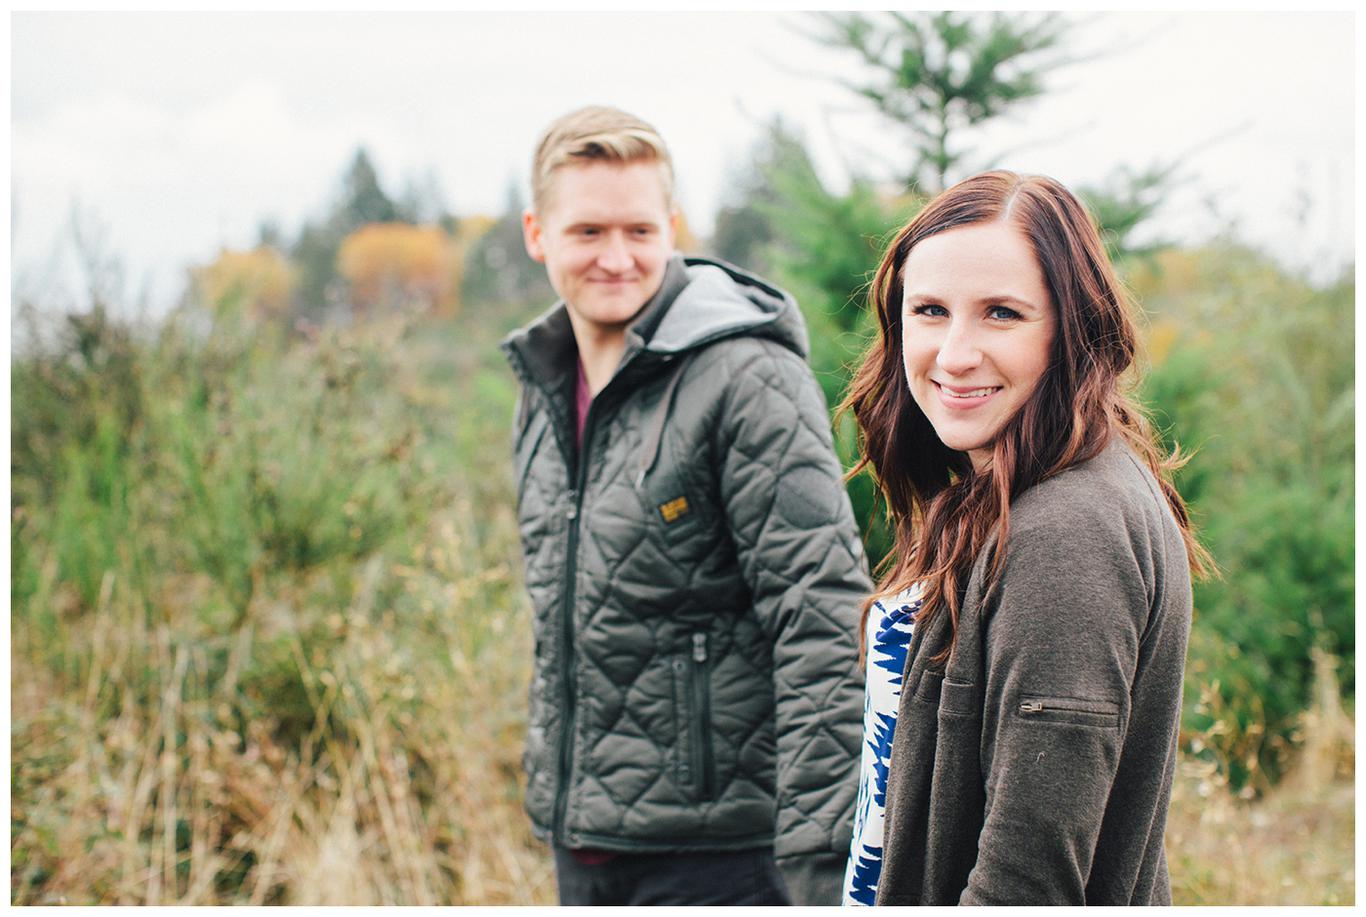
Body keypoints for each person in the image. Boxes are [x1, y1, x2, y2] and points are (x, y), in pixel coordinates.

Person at [499, 105, 870, 906]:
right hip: (586, 845)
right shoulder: (543, 387)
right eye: (588, 231)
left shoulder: (748, 379)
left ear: (672, 228)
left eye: (639, 230)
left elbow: (821, 614)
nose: (616, 257)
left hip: (727, 856)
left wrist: (823, 849)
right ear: (537, 233)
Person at [837, 171, 1212, 906]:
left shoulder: (1066, 532)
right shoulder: (1001, 491)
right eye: (930, 310)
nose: (954, 353)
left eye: (1001, 314)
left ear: (1072, 329)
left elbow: (1027, 879)